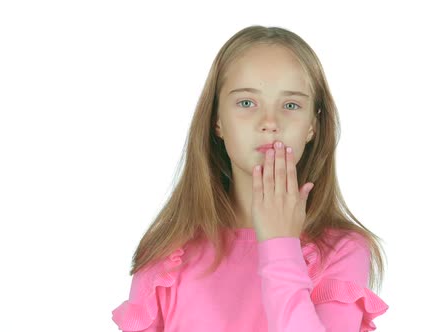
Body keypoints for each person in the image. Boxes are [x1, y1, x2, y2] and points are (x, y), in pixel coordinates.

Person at [111, 25, 389, 332]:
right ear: (217, 120)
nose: (270, 123)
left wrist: (279, 244)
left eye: (291, 105)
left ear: (313, 125)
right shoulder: (166, 256)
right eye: (246, 103)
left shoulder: (342, 251)